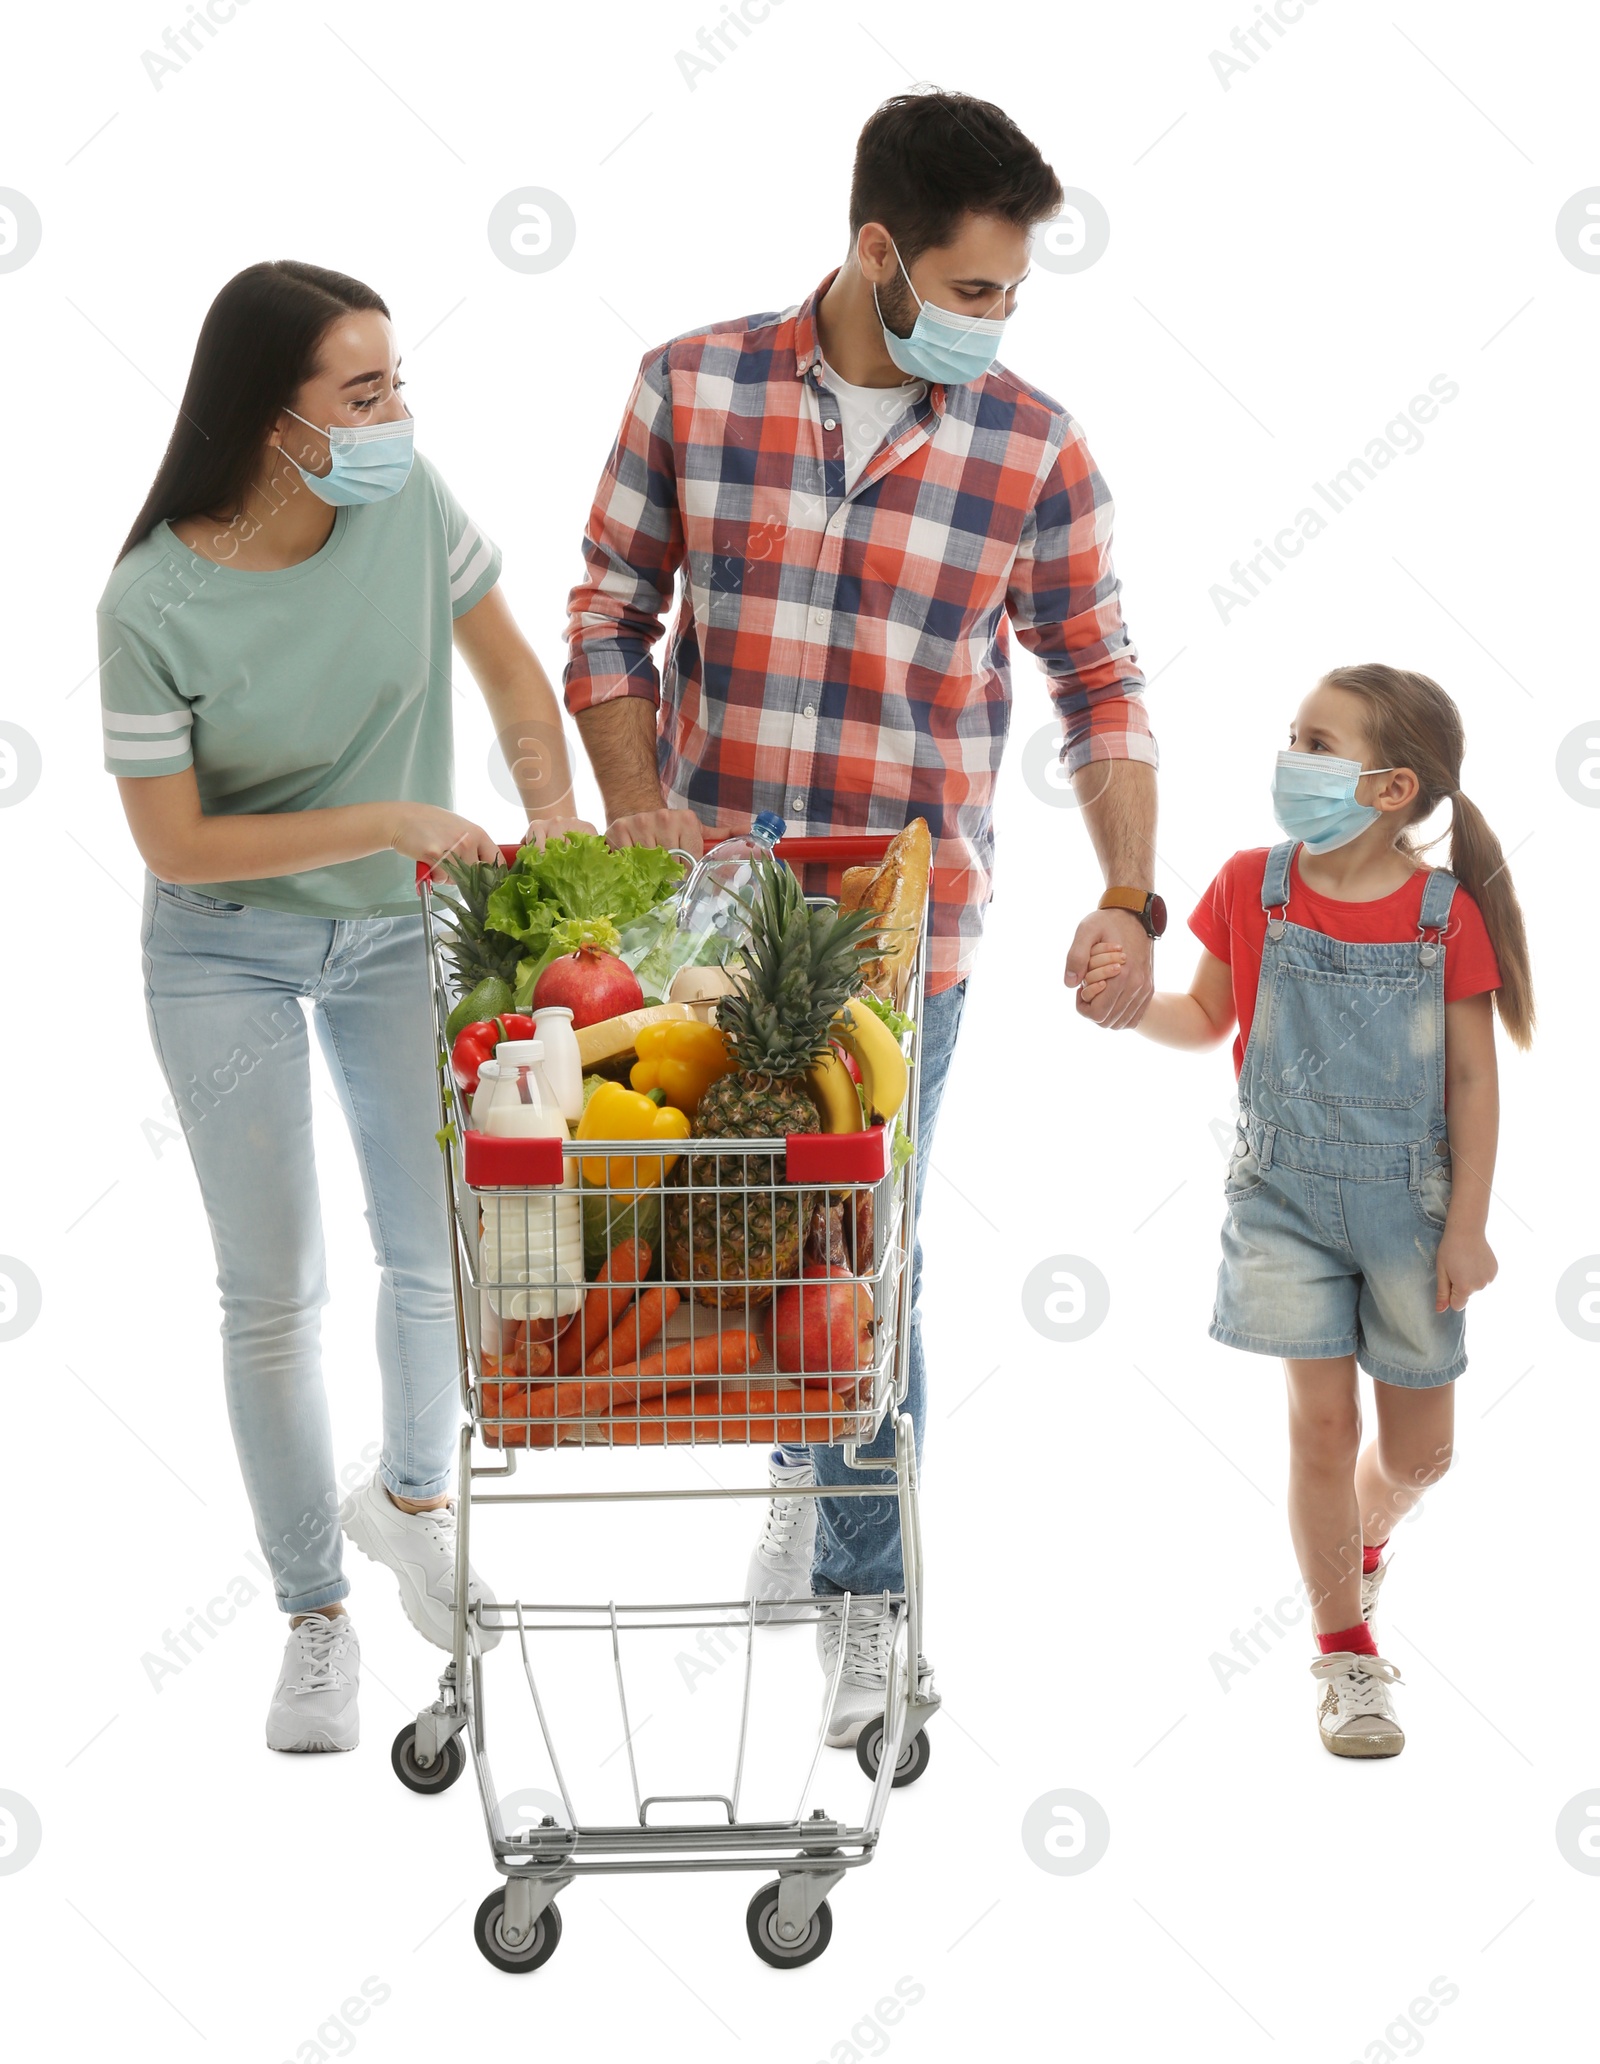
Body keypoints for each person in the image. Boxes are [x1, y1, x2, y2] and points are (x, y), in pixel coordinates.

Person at [563, 92, 1159, 1746]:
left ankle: (862, 1591)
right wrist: (635, 806)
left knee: (863, 1252)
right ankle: (800, 1464)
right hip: (709, 922)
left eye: (1013, 297)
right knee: (733, 1225)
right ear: (877, 251)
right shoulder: (694, 384)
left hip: (911, 937)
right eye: (971, 291)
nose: (996, 324)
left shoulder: (1032, 443)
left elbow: (1102, 686)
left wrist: (1130, 891)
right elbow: (611, 611)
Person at [98, 261, 592, 1755]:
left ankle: (414, 1506)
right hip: (222, 948)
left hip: (391, 937)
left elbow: (510, 678)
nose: (395, 415)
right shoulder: (151, 600)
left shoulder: (408, 502)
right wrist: (383, 815)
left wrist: (555, 802)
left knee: (436, 1246)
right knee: (275, 1292)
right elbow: (175, 846)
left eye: (397, 384)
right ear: (273, 419)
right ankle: (314, 1616)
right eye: (361, 393)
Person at [1095, 663, 1532, 1757]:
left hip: (1412, 1212)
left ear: (1390, 789)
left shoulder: (1445, 916)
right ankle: (1346, 1655)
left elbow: (1474, 1083)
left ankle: (1365, 1539)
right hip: (1283, 1199)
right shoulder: (1253, 886)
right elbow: (1202, 1018)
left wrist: (1468, 1225)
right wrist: (1128, 1003)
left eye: (1318, 742)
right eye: (1293, 732)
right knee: (1321, 1428)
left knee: (1421, 1453)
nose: (1292, 756)